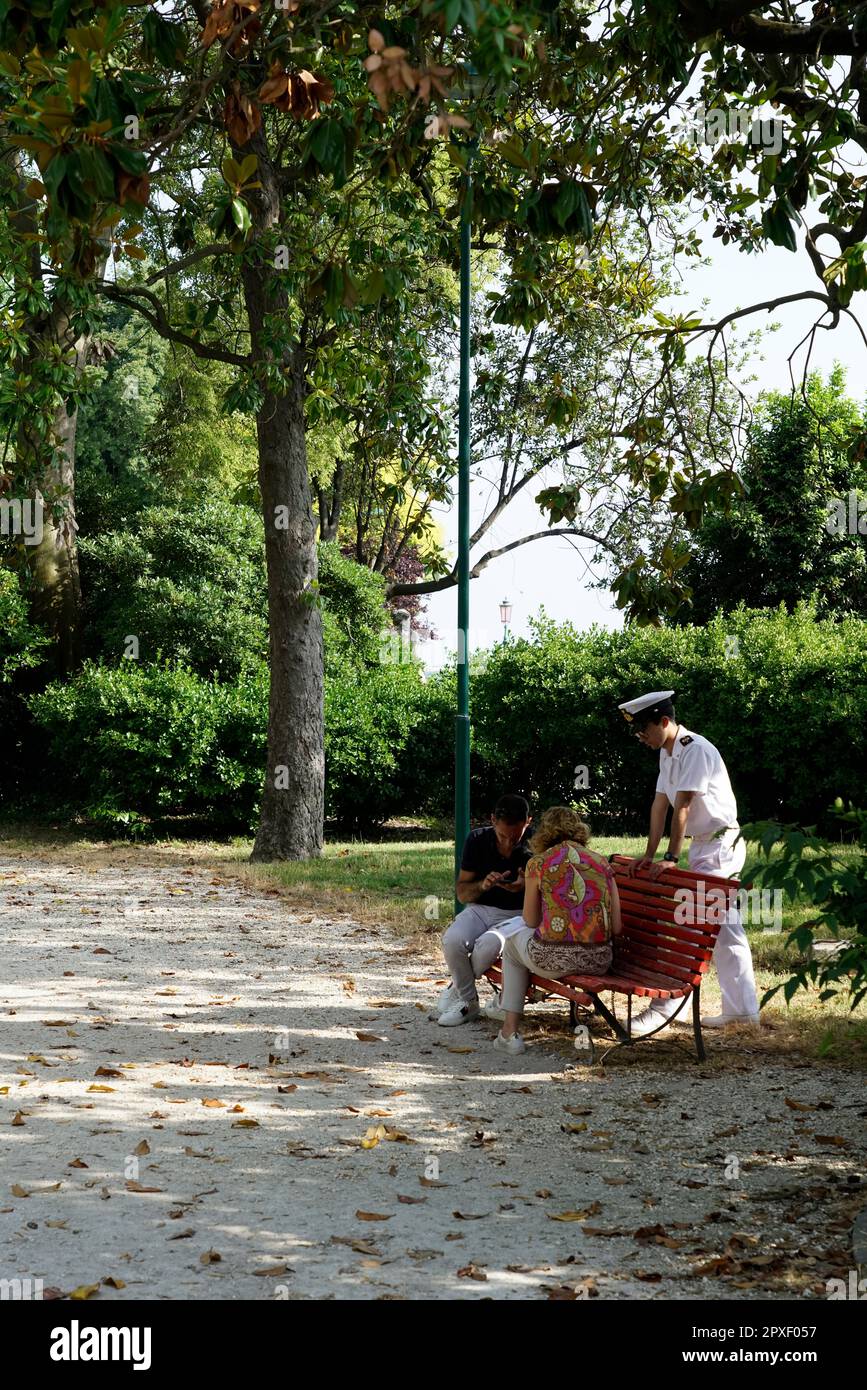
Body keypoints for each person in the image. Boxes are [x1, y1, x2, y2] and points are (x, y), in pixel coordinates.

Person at [617, 689, 760, 1034]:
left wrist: (669, 857)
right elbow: (659, 806)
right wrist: (649, 855)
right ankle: (740, 1010)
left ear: (664, 722)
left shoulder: (694, 749)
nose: (641, 738)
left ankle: (669, 1006)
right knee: (722, 928)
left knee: (701, 926)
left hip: (721, 845)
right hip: (704, 846)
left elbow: (682, 806)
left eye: (645, 730)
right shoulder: (667, 753)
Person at [493, 806, 621, 1055]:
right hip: (598, 960)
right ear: (580, 830)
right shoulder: (602, 863)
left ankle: (509, 1032)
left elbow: (530, 920)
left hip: (552, 960)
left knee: (510, 946)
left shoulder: (538, 864)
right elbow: (616, 926)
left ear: (544, 833)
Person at [437, 794, 533, 1026]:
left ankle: (459, 991)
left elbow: (546, 894)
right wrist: (483, 885)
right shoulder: (477, 839)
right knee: (452, 940)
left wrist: (526, 886)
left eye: (515, 836)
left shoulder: (537, 844)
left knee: (488, 945)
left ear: (528, 822)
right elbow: (462, 893)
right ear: (492, 821)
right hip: (480, 909)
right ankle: (469, 1001)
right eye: (502, 835)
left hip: (518, 915)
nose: (509, 843)